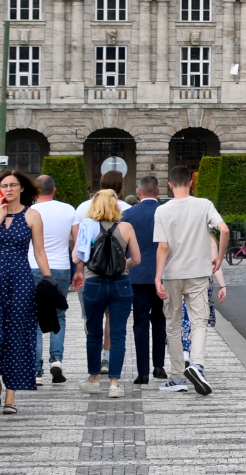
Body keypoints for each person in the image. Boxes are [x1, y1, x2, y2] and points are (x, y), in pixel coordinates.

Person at [154, 165, 228, 396]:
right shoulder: (203, 204)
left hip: (172, 274)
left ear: (170, 185)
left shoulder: (162, 211)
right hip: (198, 272)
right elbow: (223, 230)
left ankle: (177, 377)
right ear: (191, 183)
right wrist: (220, 258)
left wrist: (157, 278)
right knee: (199, 322)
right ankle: (197, 365)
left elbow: (163, 247)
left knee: (173, 324)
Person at [72, 189, 142, 397]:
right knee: (118, 334)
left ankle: (94, 380)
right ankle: (114, 384)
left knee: (94, 333)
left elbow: (77, 258)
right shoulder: (127, 227)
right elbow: (137, 259)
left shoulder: (87, 225)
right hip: (121, 283)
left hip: (94, 283)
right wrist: (120, 266)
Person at [1, 169, 54, 414]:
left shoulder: (32, 215)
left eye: (13, 185)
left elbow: (39, 252)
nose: (9, 189)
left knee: (17, 335)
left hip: (20, 281)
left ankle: (10, 397)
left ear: (22, 188)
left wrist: (48, 280)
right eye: (5, 185)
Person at [28, 174, 77, 386]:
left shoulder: (28, 211)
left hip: (33, 266)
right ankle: (56, 359)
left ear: (35, 191)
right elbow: (76, 240)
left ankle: (36, 371)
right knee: (60, 315)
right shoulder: (68, 209)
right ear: (54, 190)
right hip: (60, 268)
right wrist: (79, 268)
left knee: (35, 318)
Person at [120, 175, 168, 384]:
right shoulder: (166, 213)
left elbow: (121, 247)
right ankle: (159, 366)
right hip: (163, 274)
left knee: (140, 322)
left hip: (137, 275)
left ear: (139, 193)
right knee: (160, 320)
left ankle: (143, 372)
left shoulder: (128, 214)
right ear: (158, 192)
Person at [180, 236, 226, 364]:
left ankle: (185, 350)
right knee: (198, 319)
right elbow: (215, 264)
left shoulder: (181, 234)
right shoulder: (208, 239)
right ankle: (196, 357)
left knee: (183, 315)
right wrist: (222, 285)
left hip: (181, 277)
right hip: (202, 280)